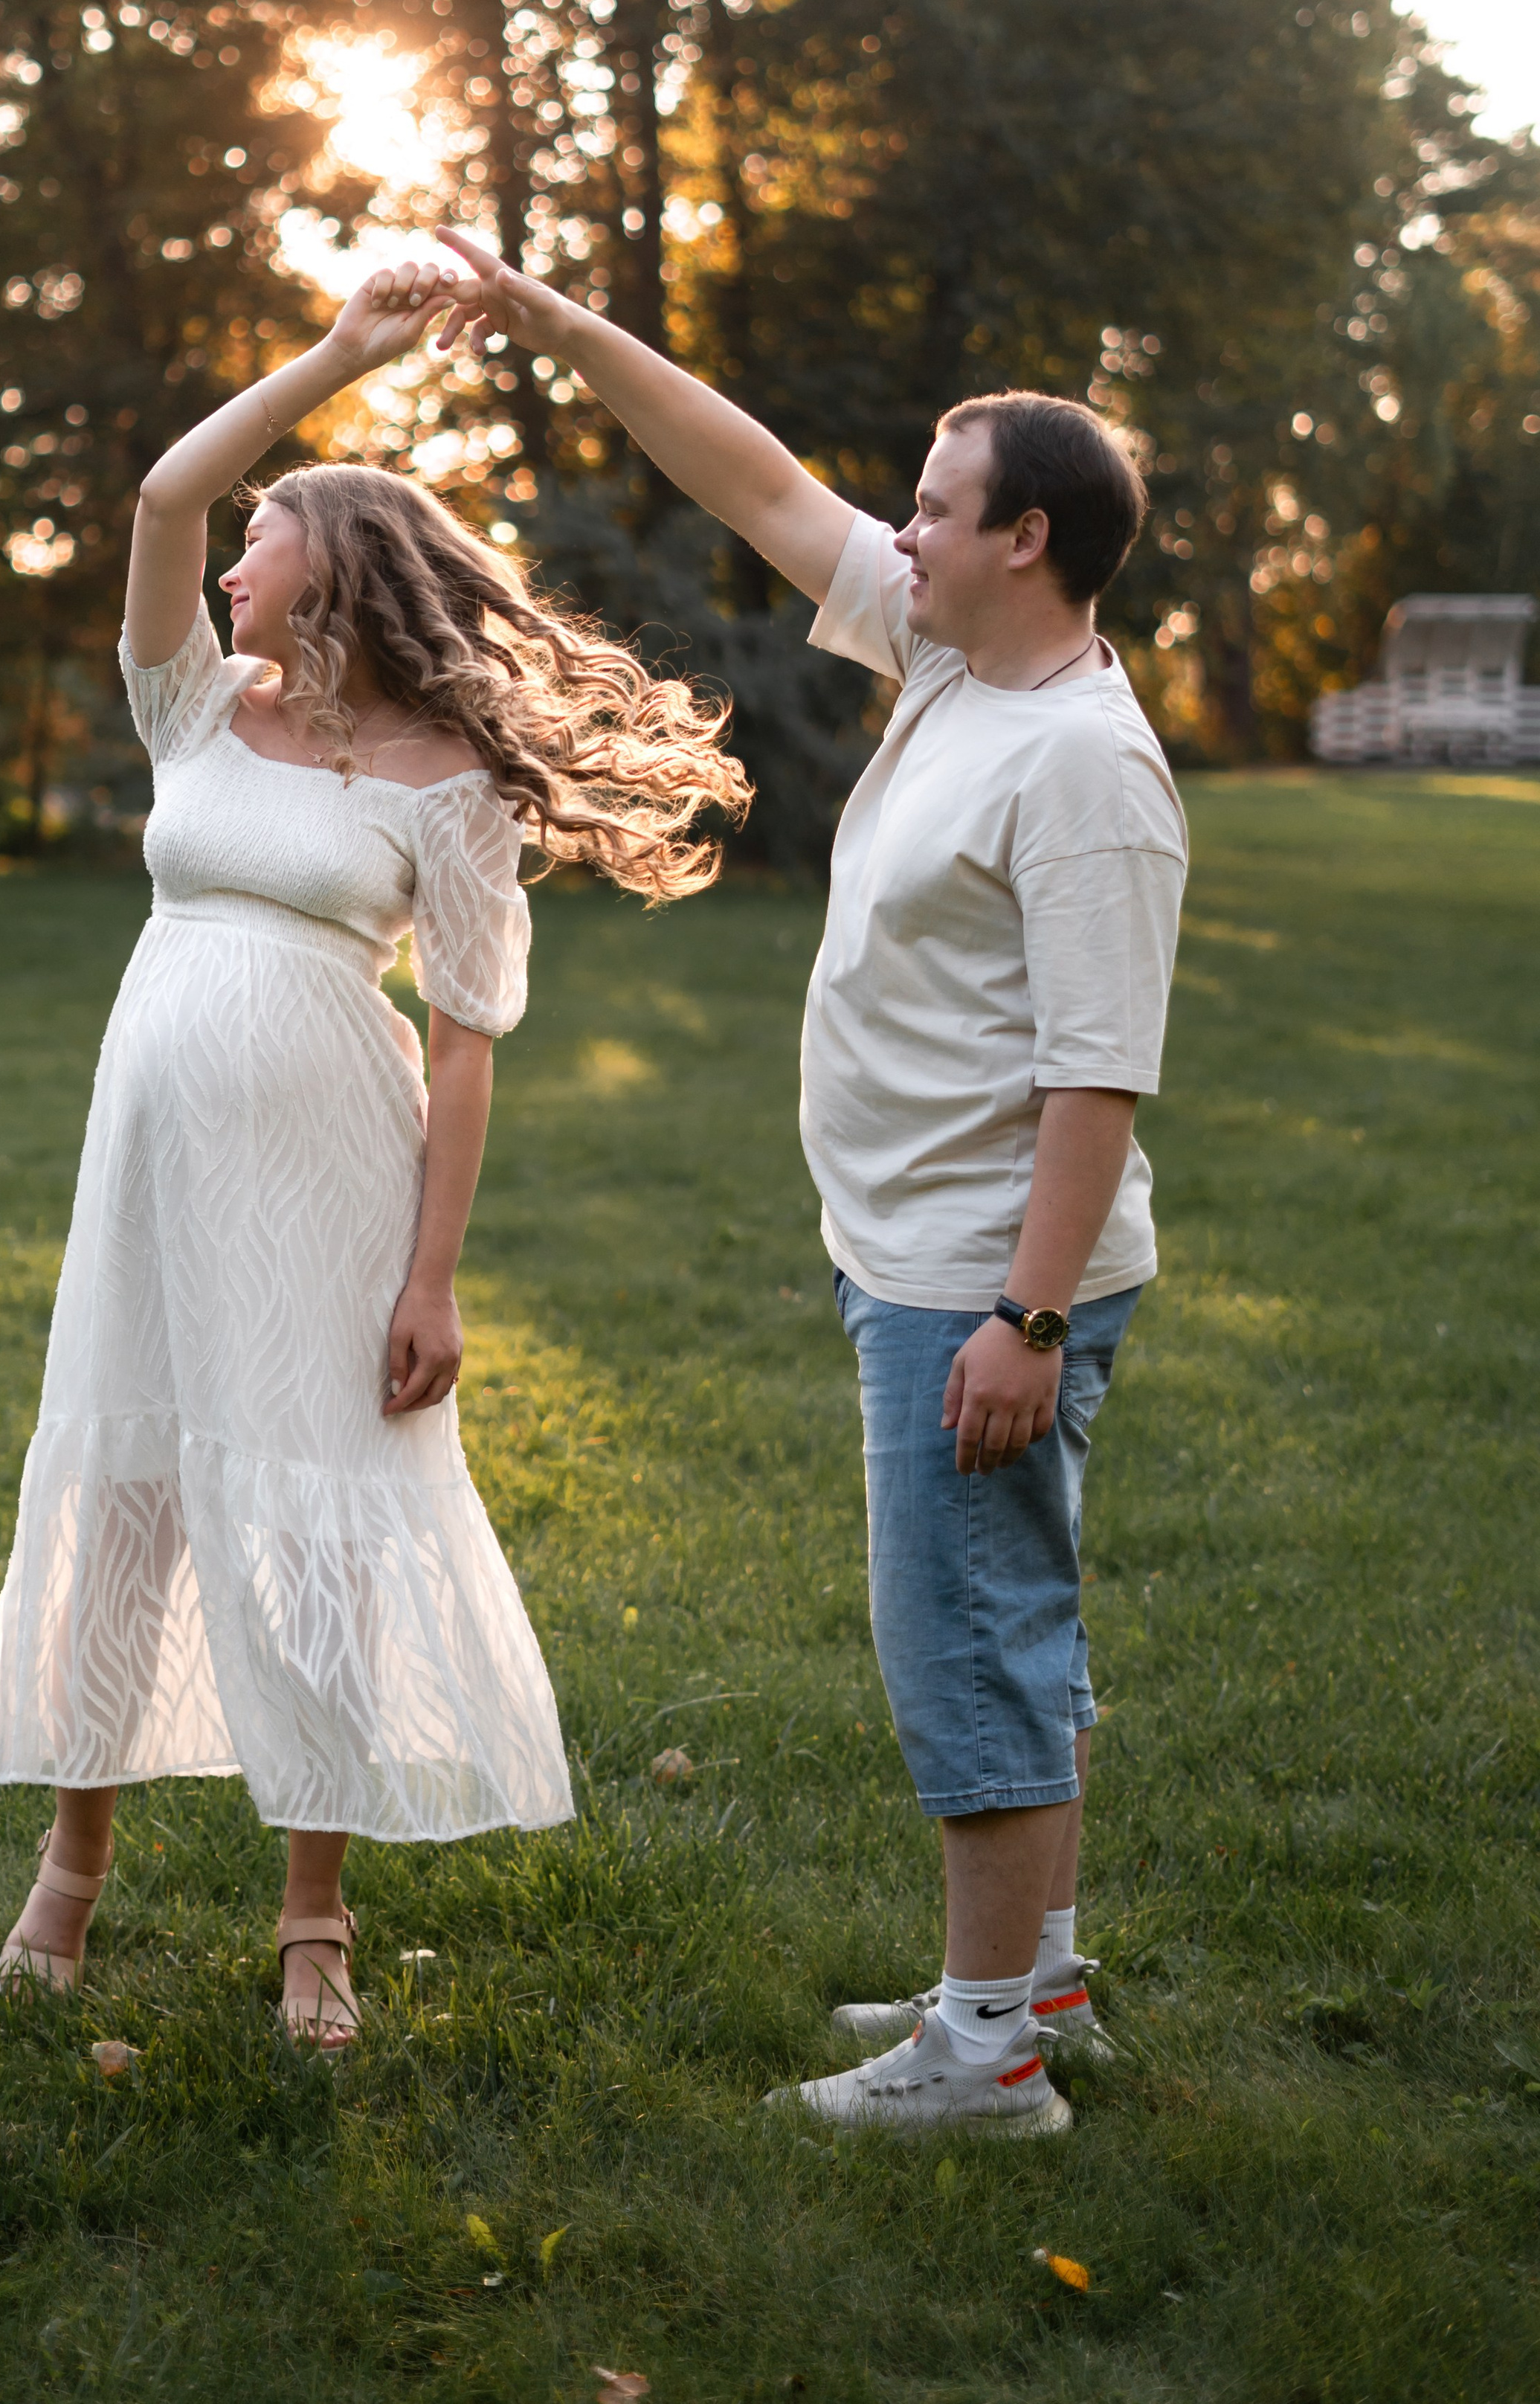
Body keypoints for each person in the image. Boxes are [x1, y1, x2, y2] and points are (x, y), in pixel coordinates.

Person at [439, 225, 1186, 2137]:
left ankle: (983, 2054)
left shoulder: (1081, 767)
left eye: (932, 507)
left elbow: (1096, 1079)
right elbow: (756, 482)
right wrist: (546, 317)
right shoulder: (954, 658)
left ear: (1024, 537)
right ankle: (1041, 1983)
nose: (897, 531)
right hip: (921, 1255)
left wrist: (1023, 1318)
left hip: (980, 1279)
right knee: (1013, 1623)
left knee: (965, 1648)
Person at [0, 259, 750, 2047]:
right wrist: (332, 358)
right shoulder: (195, 702)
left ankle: (313, 1915)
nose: (232, 559)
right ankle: (70, 1868)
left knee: (308, 1507)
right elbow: (164, 494)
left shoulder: (444, 779)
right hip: (150, 1167)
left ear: (339, 563)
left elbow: (463, 1043)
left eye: (267, 536)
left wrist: (430, 1277)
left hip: (329, 1175)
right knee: (129, 1488)